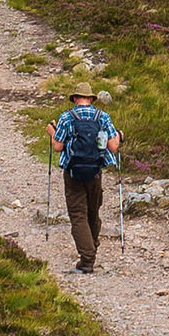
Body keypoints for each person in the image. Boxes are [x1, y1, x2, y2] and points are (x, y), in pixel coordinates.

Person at [50, 82, 120, 273]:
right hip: (95, 171)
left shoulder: (66, 117)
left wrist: (52, 133)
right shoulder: (102, 117)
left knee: (78, 215)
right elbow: (113, 146)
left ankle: (87, 259)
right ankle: (92, 244)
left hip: (73, 172)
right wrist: (119, 136)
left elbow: (58, 146)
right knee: (92, 211)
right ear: (91, 99)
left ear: (74, 98)